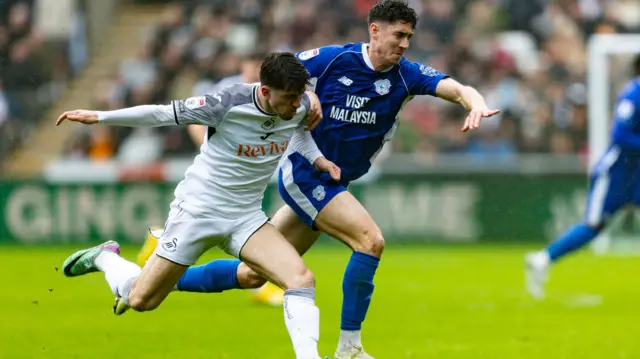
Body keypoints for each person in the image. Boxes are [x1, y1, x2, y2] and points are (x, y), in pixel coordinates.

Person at [138, 1, 499, 358]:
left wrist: (475, 102)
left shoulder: (407, 75)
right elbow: (280, 75)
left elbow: (455, 88)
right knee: (370, 241)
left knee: (253, 275)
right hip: (306, 172)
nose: (404, 44)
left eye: (409, 37)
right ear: (374, 30)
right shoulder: (332, 60)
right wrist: (307, 93)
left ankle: (162, 273)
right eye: (398, 35)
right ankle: (349, 348)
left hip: (336, 183)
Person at [60, 52, 339, 359]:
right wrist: (101, 117)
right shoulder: (226, 103)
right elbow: (160, 114)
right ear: (264, 91)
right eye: (289, 98)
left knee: (300, 279)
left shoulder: (298, 105)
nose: (295, 104)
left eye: (299, 97)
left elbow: (299, 132)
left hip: (246, 217)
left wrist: (318, 159)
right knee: (141, 299)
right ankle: (105, 257)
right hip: (197, 212)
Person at [136, 51, 285, 306]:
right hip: (223, 168)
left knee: (238, 220)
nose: (255, 74)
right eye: (252, 67)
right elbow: (195, 120)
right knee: (237, 221)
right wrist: (211, 147)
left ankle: (159, 241)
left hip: (252, 165)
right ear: (243, 66)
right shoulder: (227, 88)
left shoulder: (269, 94)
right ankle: (259, 282)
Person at [525, 54, 640, 300]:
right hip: (617, 173)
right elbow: (620, 136)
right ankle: (543, 259)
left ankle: (542, 259)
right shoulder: (633, 95)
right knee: (594, 225)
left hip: (637, 173)